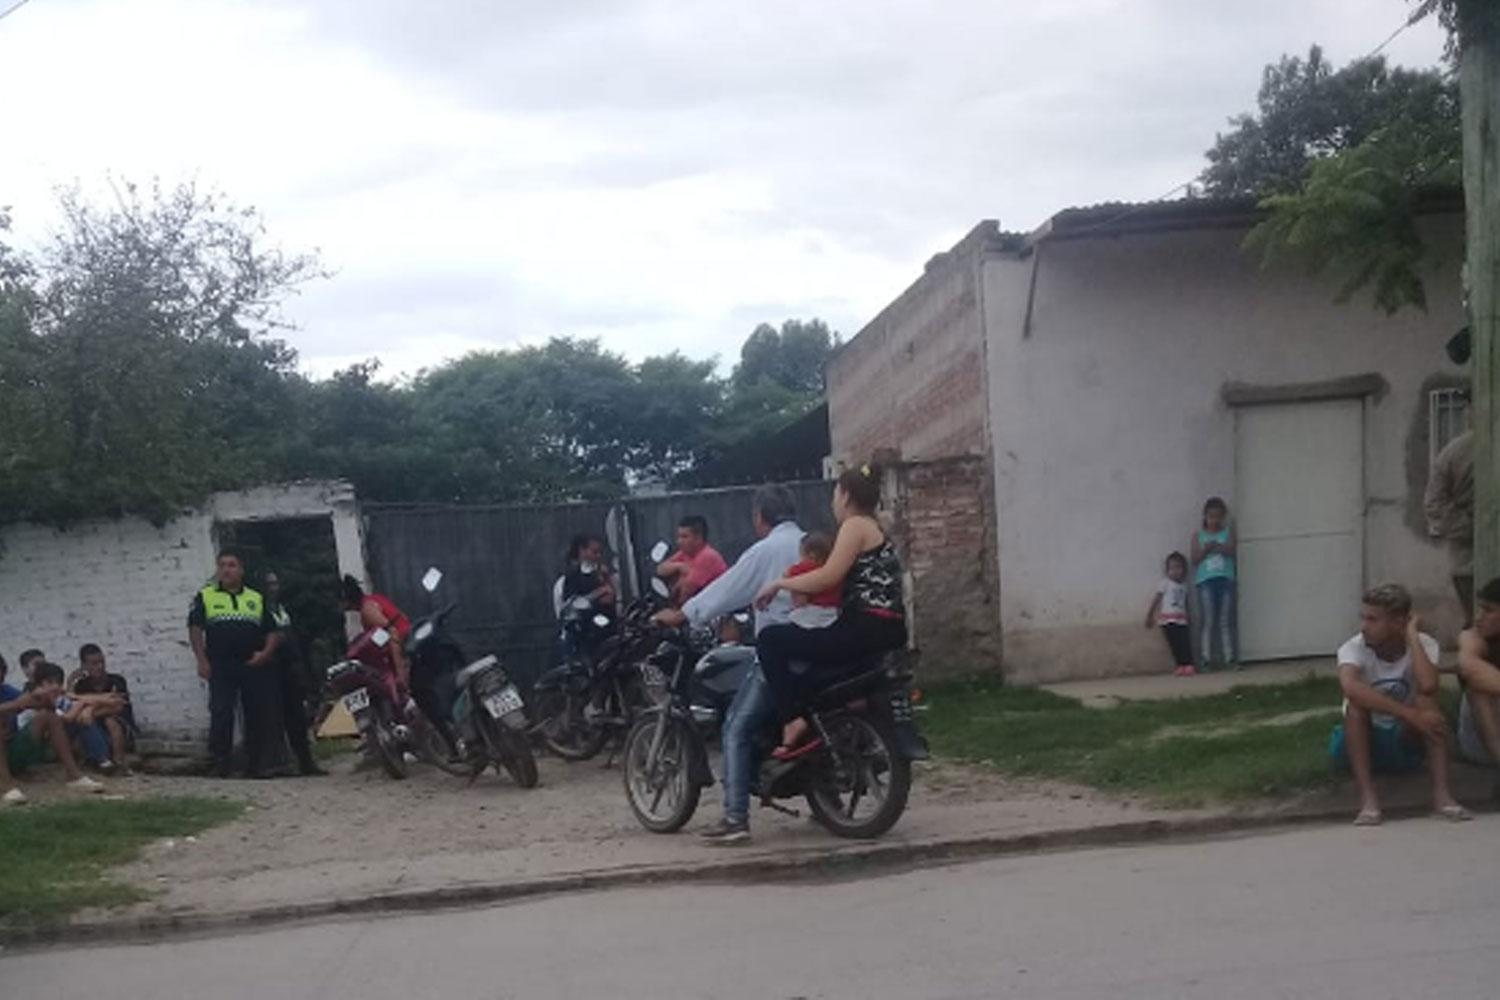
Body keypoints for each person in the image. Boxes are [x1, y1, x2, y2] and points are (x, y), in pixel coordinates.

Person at [652, 484, 805, 845]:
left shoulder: (764, 551)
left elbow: (728, 589)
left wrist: (682, 615)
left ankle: (735, 817)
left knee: (735, 727)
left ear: (760, 516)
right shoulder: (808, 542)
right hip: (817, 646)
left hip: (778, 652)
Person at [754, 465, 907, 760]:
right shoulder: (875, 527)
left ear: (846, 496)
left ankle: (792, 720)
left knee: (770, 640)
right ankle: (846, 715)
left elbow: (828, 576)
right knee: (814, 677)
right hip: (886, 629)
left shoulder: (854, 526)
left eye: (835, 494)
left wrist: (779, 584)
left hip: (864, 628)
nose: (833, 502)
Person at [1328, 584, 1470, 826]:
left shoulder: (1424, 644)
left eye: (1373, 620)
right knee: (1355, 708)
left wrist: (1412, 636)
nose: (1364, 626)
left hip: (1405, 737)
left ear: (1398, 622)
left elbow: (1428, 685)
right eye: (1363, 617)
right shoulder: (1353, 648)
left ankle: (1442, 796)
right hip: (1364, 737)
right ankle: (1368, 800)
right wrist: (1409, 714)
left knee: (1428, 705)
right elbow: (1351, 688)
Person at [190, 550, 281, 779]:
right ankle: (221, 762)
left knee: (256, 713)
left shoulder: (255, 598)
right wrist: (201, 660)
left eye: (231, 565)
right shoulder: (206, 596)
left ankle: (256, 765)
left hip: (251, 664)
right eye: (222, 565)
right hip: (220, 665)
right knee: (221, 712)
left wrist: (265, 654)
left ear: (241, 570)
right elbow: (195, 629)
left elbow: (272, 631)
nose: (226, 570)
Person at [1, 660, 105, 800]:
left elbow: (30, 701)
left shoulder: (8, 691)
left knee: (49, 716)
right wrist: (15, 705)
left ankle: (73, 775)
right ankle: (5, 783)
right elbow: (17, 704)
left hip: (11, 749)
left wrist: (41, 699)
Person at [265, 572, 323, 777]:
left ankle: (305, 762)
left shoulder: (282, 609)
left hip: (291, 669)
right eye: (270, 584)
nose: (274, 588)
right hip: (272, 670)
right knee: (275, 718)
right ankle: (280, 762)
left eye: (275, 584)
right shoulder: (261, 610)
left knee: (297, 718)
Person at [1424, 426, 1474, 625]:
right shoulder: (1458, 450)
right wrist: (1476, 530)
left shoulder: (1456, 450)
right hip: (1469, 560)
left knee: (1479, 626)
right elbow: (1435, 504)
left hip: (1467, 561)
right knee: (1481, 625)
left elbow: (1435, 504)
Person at [1456, 577, 1500, 785]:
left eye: (1489, 610)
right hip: (1481, 742)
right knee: (1478, 688)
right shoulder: (1472, 635)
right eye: (1480, 608)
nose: (1479, 617)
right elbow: (1470, 669)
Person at [68, 644, 133, 773]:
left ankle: (119, 761)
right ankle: (100, 760)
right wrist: (71, 684)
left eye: (102, 662)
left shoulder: (116, 680)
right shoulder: (81, 685)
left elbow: (118, 706)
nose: (100, 667)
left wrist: (91, 710)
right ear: (84, 666)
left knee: (110, 721)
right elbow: (73, 705)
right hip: (95, 727)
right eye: (94, 664)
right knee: (82, 722)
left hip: (121, 726)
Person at [1190, 497, 1237, 670]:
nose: (1215, 521)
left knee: (1225, 621)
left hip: (1225, 580)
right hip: (1206, 582)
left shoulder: (1227, 533)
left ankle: (1229, 658)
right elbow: (1195, 559)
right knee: (1208, 620)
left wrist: (1218, 546)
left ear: (1223, 517)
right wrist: (1206, 549)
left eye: (1218, 517)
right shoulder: (1198, 535)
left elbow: (1231, 550)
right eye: (1211, 517)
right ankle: (1206, 659)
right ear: (1205, 516)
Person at [656, 516, 729, 605]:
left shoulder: (707, 556)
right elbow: (660, 569)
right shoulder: (685, 553)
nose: (679, 541)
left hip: (716, 609)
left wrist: (672, 602)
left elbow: (685, 594)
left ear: (698, 538)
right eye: (678, 537)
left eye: (684, 537)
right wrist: (679, 566)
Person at [1145, 552, 1195, 677]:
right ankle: (1180, 665)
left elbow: (1186, 602)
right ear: (1167, 571)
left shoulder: (1184, 586)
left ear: (1184, 570)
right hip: (1168, 620)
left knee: (1185, 642)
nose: (1175, 571)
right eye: (1171, 568)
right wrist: (1150, 615)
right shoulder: (1165, 583)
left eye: (1178, 567)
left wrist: (1189, 616)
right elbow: (1157, 599)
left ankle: (1188, 664)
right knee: (1174, 644)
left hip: (1182, 620)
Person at [787, 532, 841, 630]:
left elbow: (800, 601)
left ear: (812, 556)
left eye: (802, 555)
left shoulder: (803, 569)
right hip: (832, 614)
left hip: (810, 615)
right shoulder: (836, 570)